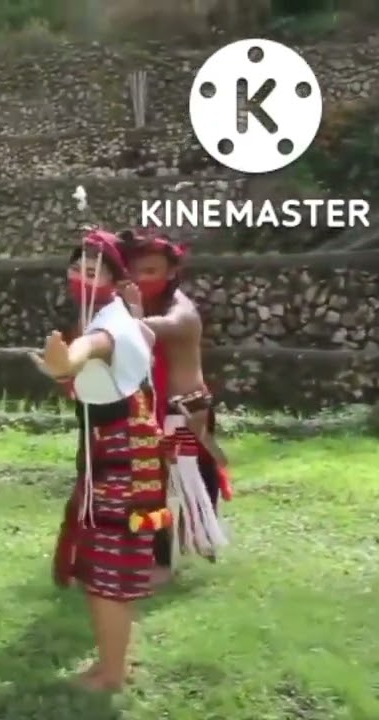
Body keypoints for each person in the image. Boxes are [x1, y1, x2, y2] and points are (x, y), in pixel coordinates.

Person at [31, 229, 171, 692]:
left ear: (113, 278)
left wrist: (63, 360)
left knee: (109, 567)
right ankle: (112, 664)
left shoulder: (105, 328)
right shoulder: (120, 317)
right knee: (106, 559)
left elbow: (86, 351)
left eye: (91, 271)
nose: (79, 277)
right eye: (75, 268)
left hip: (118, 457)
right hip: (119, 449)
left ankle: (111, 674)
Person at [116, 231, 231, 583]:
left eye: (150, 271)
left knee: (182, 486)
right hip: (156, 411)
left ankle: (180, 551)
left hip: (185, 415)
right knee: (152, 488)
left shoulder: (182, 311)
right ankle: (165, 558)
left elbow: (144, 331)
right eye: (135, 271)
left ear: (169, 274)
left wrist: (126, 314)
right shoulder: (146, 304)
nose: (140, 279)